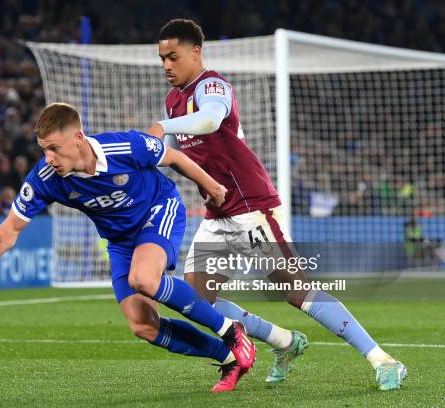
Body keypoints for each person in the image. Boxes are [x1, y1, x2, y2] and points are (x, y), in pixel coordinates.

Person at [147, 19, 406, 390]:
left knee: (296, 291)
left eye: (173, 56)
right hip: (218, 213)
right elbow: (185, 156)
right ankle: (283, 341)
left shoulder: (212, 85)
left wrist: (162, 126)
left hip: (253, 207)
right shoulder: (173, 101)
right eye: (162, 59)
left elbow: (211, 118)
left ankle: (384, 360)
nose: (167, 65)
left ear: (195, 51)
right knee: (197, 301)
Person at [0, 102, 256, 392]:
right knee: (143, 325)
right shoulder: (46, 179)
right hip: (122, 241)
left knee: (144, 279)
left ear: (78, 138)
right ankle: (228, 358)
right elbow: (12, 227)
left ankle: (230, 330)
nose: (48, 158)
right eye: (44, 149)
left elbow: (173, 157)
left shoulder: (125, 146)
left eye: (54, 148)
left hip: (158, 209)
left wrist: (211, 186)